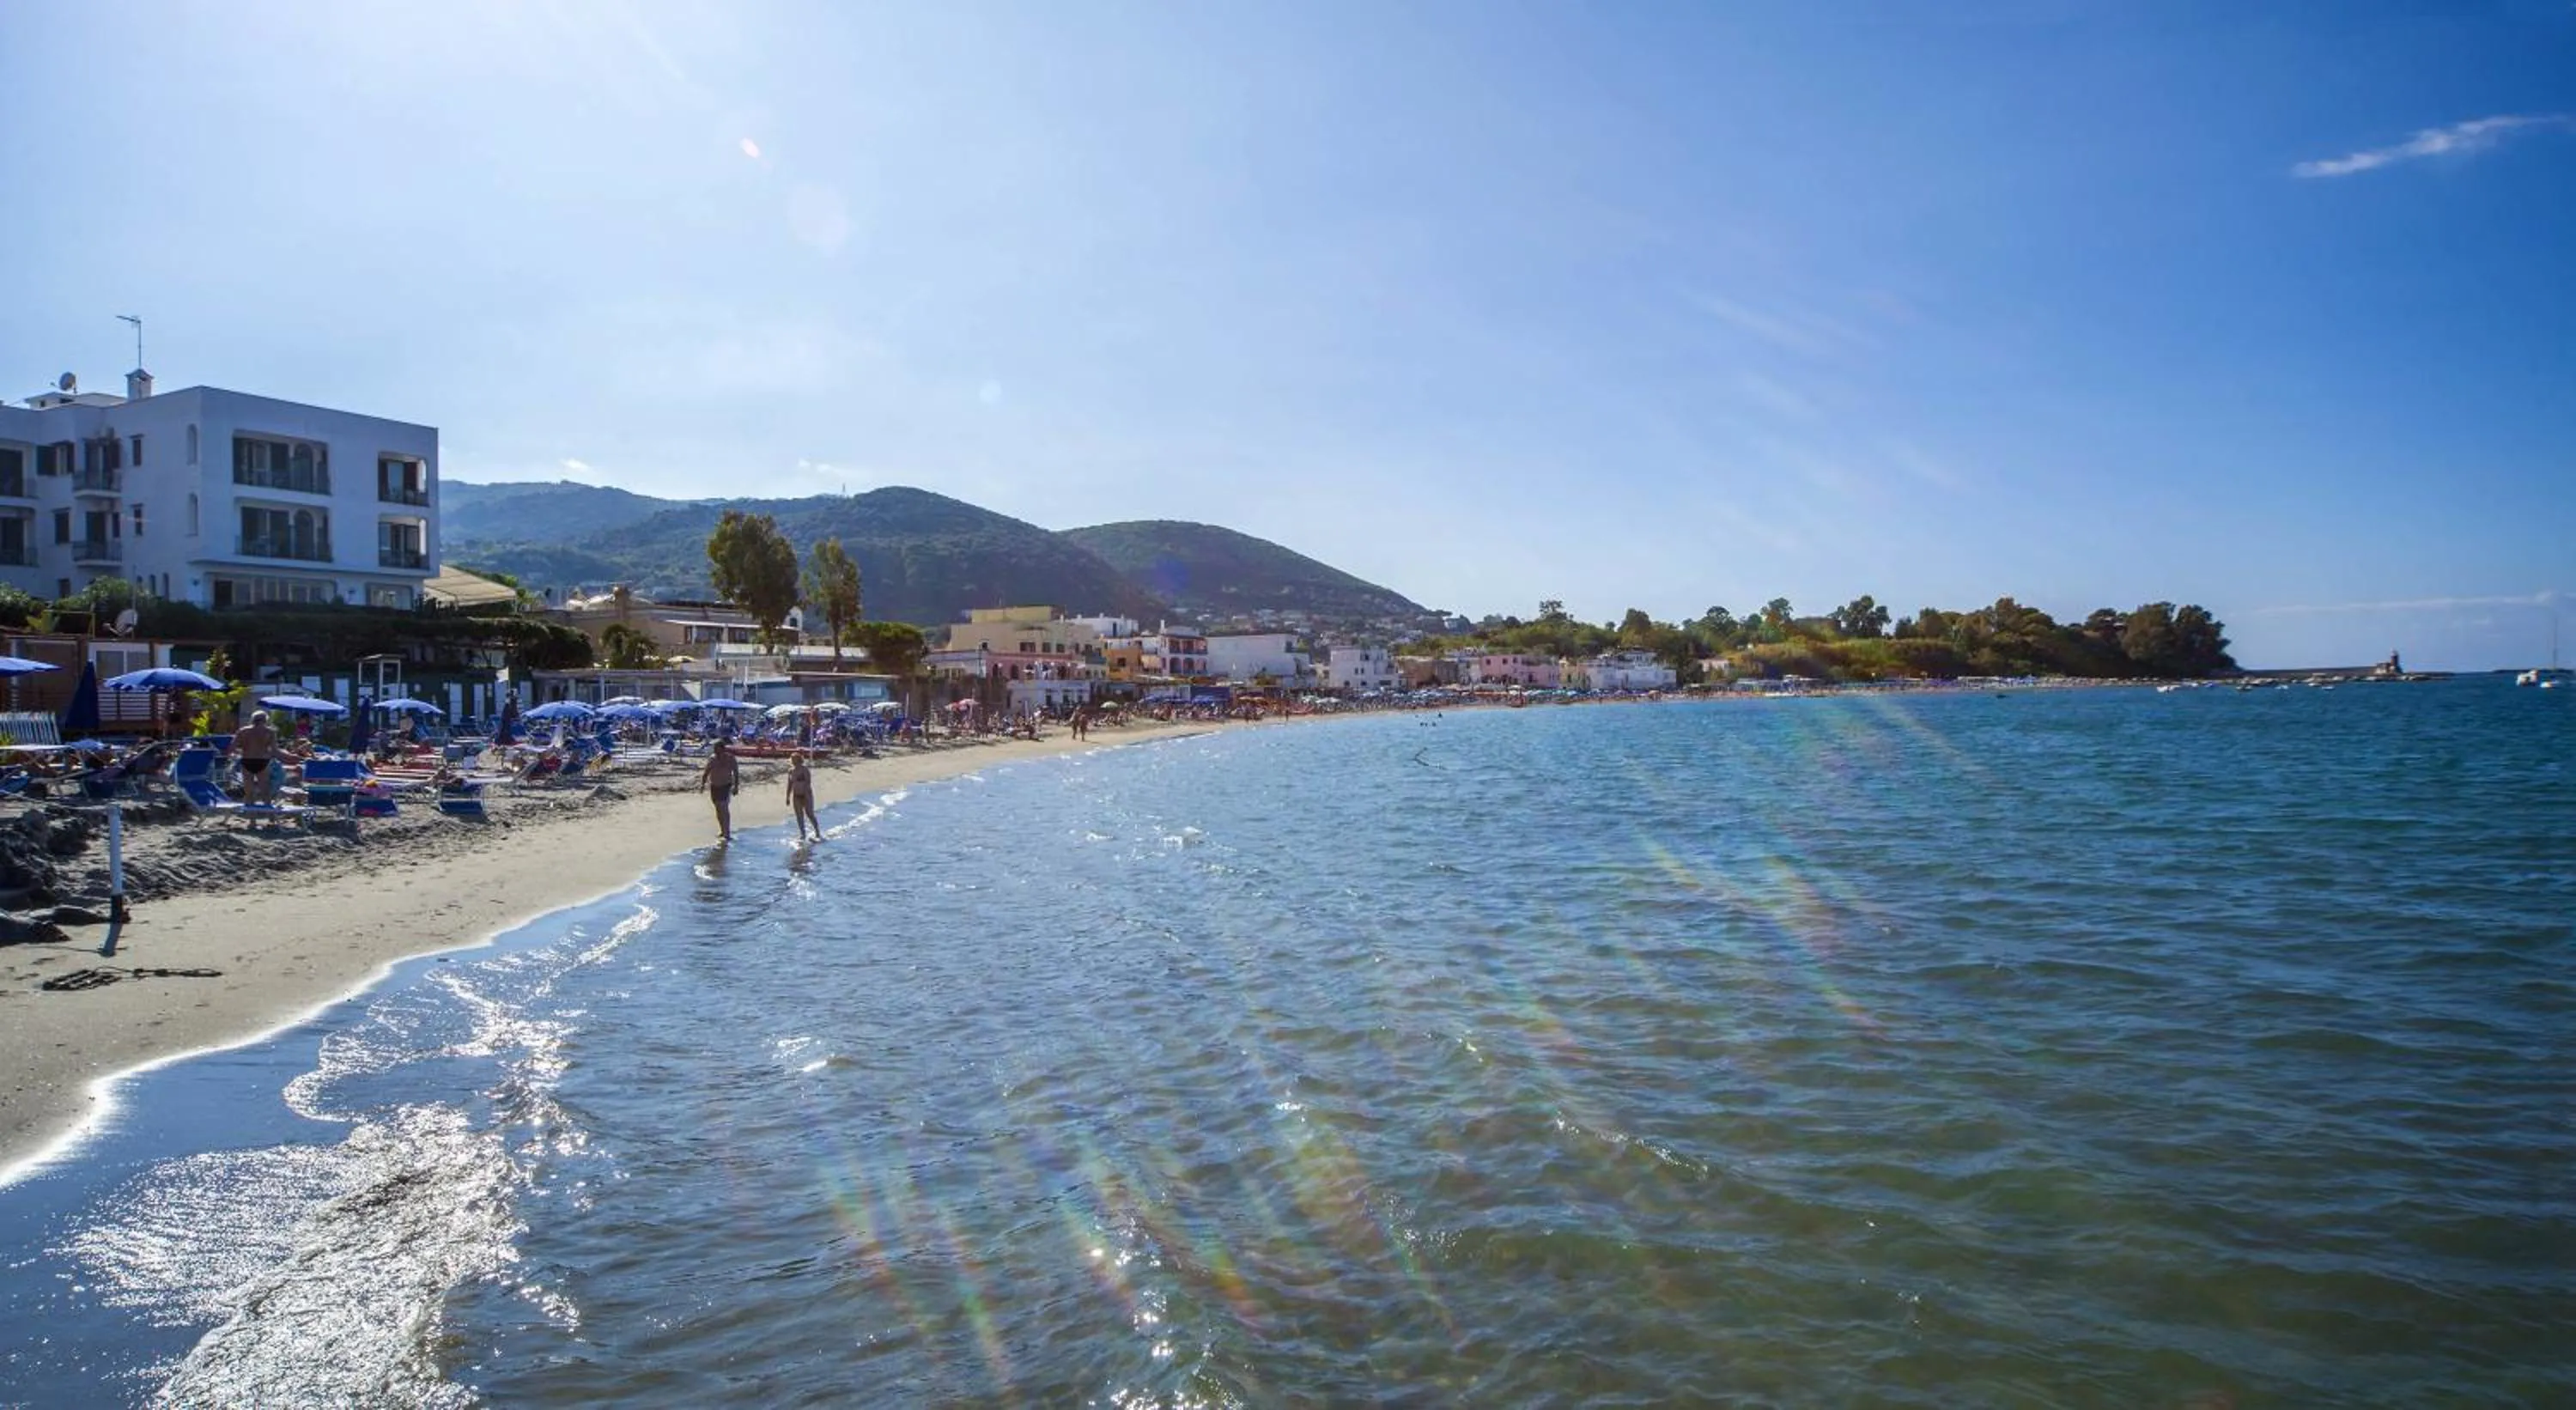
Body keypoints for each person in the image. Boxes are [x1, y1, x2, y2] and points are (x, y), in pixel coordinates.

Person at [234, 708, 278, 803]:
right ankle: (271, 816)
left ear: (252, 719)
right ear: (265, 720)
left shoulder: (243, 731)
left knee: (249, 792)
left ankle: (251, 817)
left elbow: (232, 747)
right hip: (262, 761)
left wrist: (240, 752)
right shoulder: (270, 732)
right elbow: (275, 750)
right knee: (265, 791)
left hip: (247, 760)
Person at [699, 737, 738, 842]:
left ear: (722, 748)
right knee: (718, 809)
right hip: (714, 786)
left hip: (726, 786)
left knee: (724, 808)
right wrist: (702, 785)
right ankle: (722, 830)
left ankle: (727, 833)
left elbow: (736, 772)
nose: (715, 750)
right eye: (714, 748)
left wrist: (736, 786)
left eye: (716, 748)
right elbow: (706, 772)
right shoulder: (712, 759)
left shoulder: (730, 758)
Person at [786, 749, 819, 841]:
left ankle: (817, 832)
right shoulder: (790, 771)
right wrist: (787, 797)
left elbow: (808, 782)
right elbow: (789, 784)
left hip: (806, 795)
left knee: (809, 814)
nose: (793, 761)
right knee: (799, 816)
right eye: (792, 759)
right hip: (796, 796)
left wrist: (806, 794)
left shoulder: (804, 770)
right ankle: (803, 834)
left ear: (799, 760)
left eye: (795, 759)